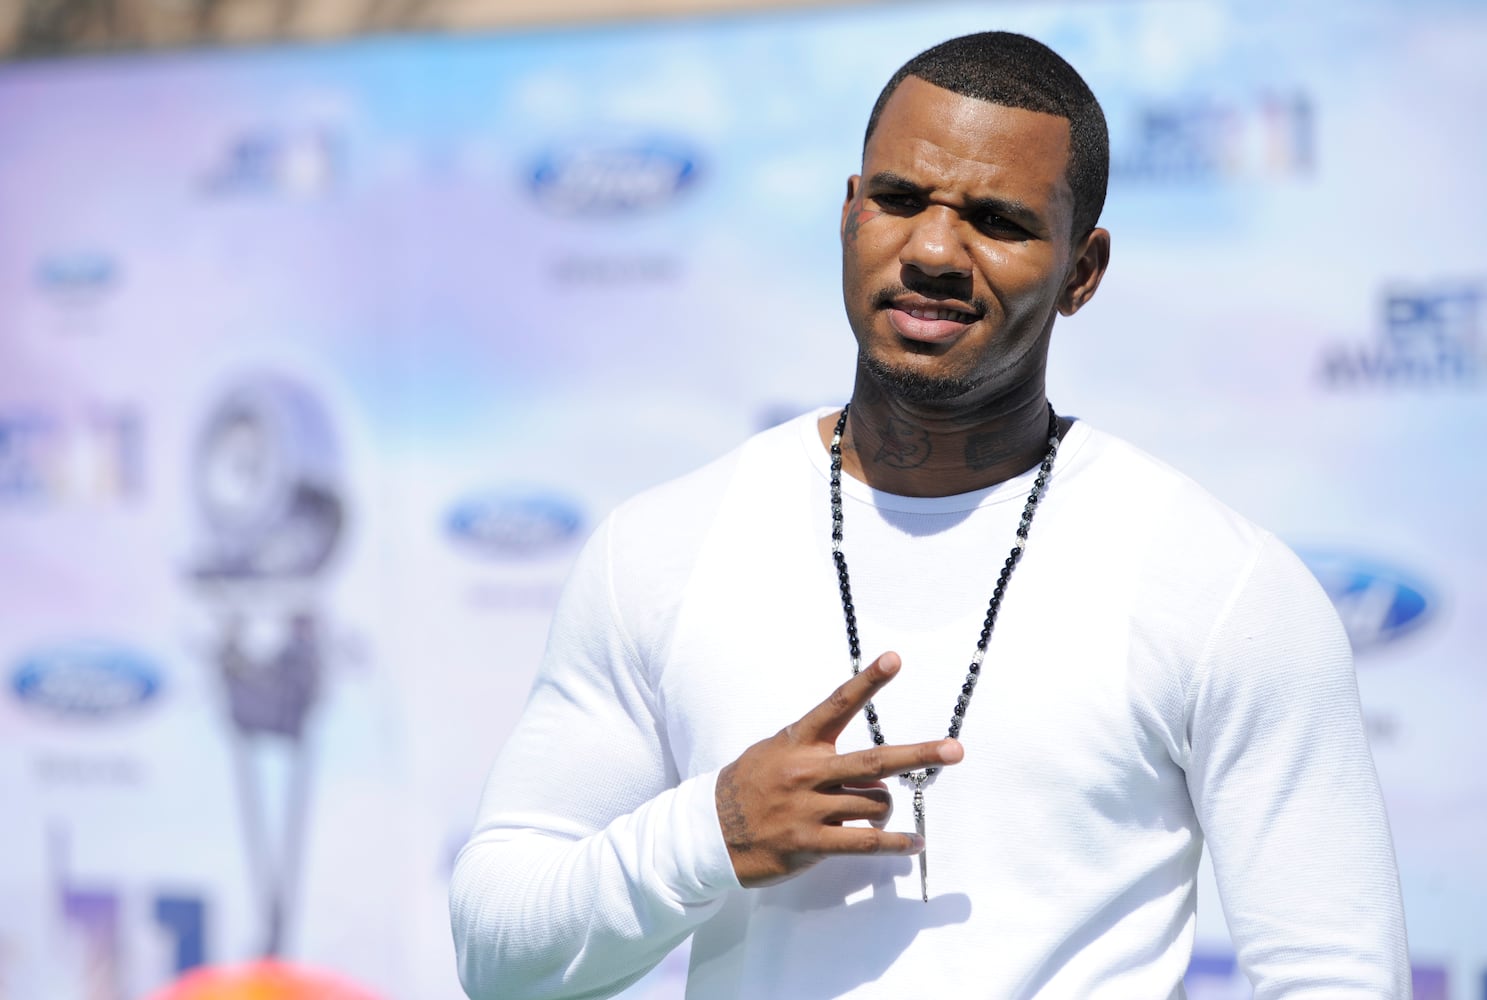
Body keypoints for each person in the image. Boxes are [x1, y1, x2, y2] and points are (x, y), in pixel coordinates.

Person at [449, 31, 1409, 999]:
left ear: (1081, 271)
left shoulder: (1219, 585)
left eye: (996, 220)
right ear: (848, 213)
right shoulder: (661, 550)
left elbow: (1334, 975)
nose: (934, 252)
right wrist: (709, 832)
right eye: (900, 200)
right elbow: (500, 957)